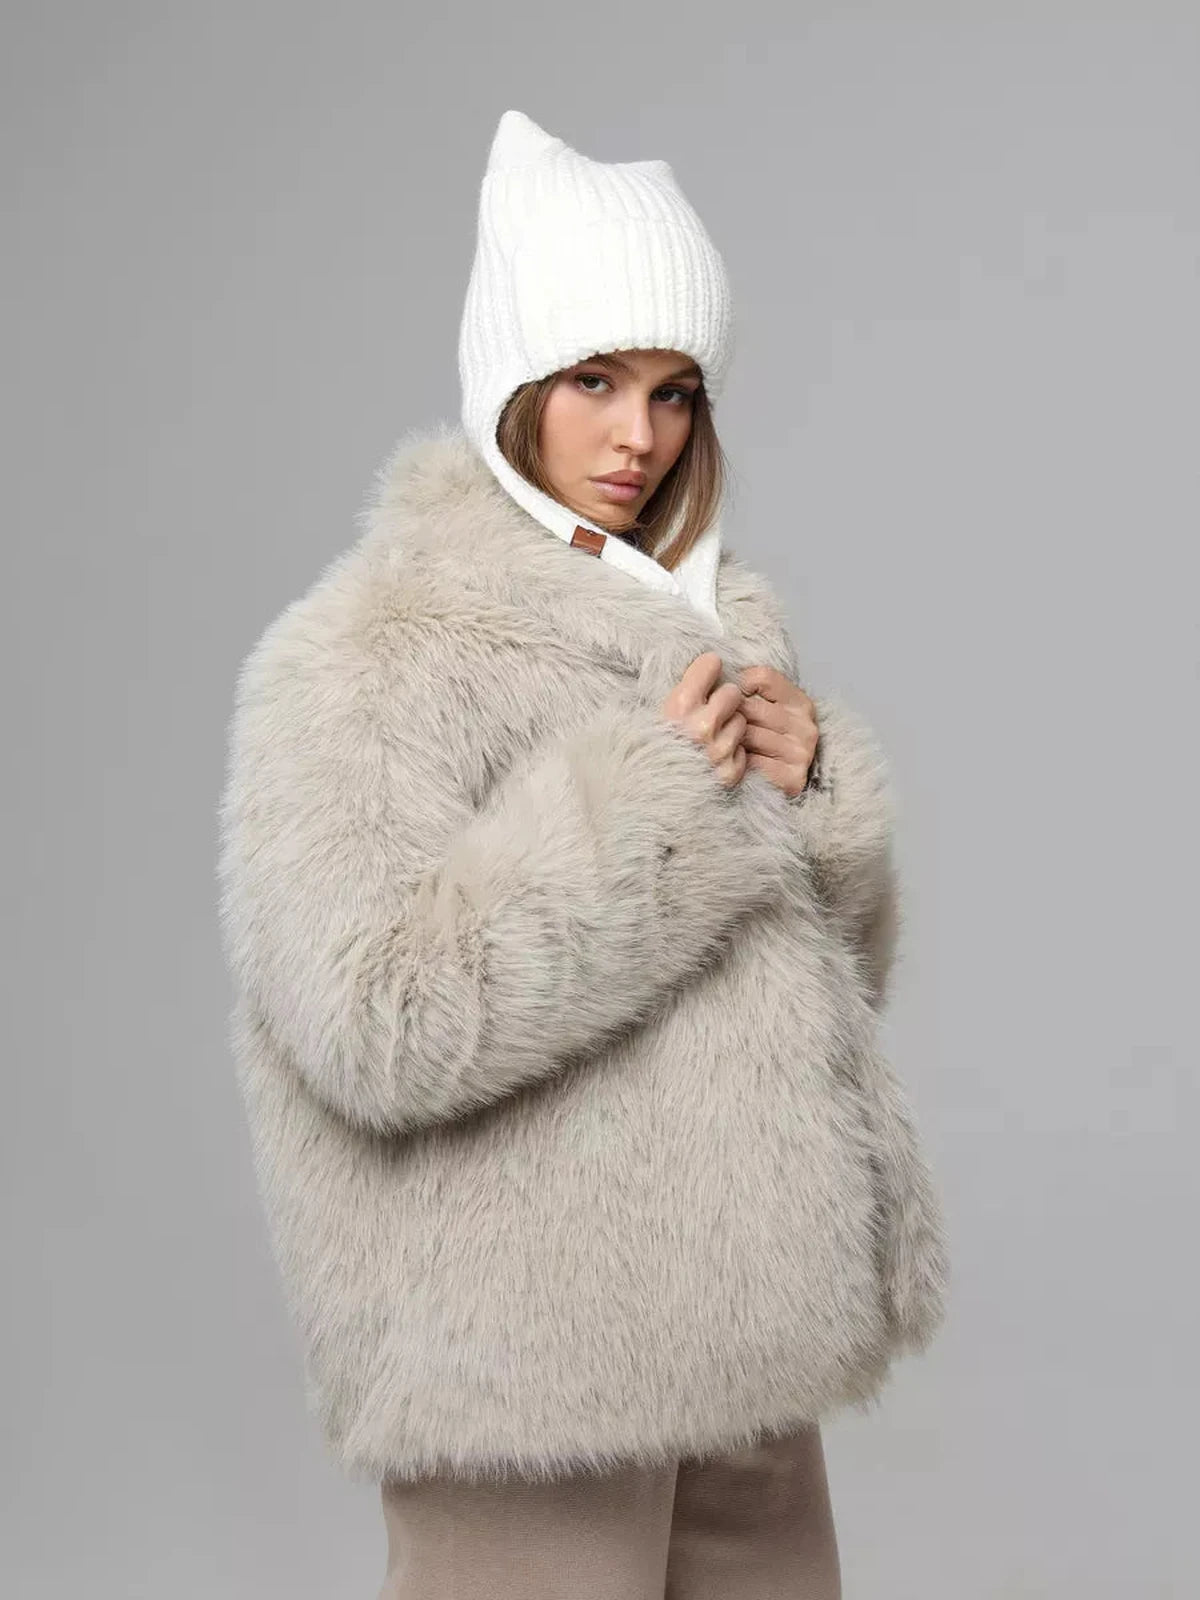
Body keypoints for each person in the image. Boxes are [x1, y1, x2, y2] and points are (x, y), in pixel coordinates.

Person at [216, 108, 950, 1599]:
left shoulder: (710, 624)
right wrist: (655, 806)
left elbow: (818, 1003)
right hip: (523, 1379)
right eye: (595, 381)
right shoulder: (370, 651)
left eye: (675, 391)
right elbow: (379, 1021)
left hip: (747, 1353)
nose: (639, 437)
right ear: (514, 385)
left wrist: (813, 803)